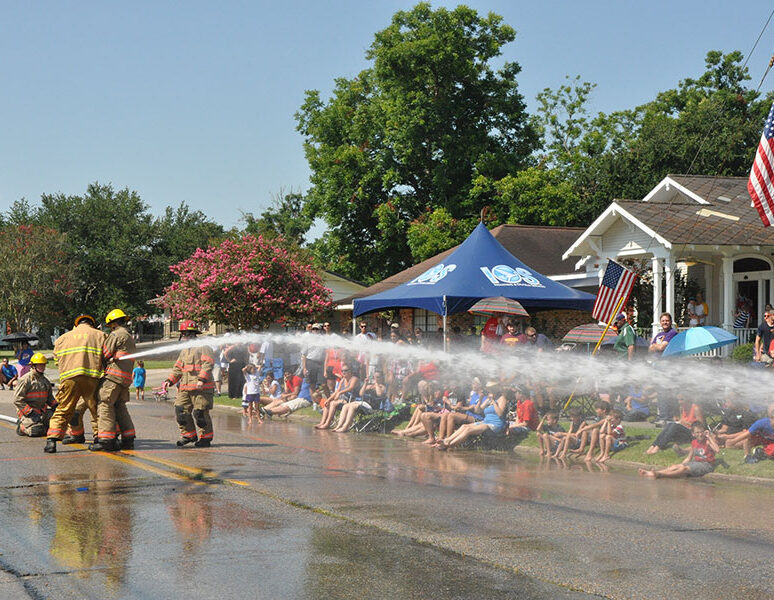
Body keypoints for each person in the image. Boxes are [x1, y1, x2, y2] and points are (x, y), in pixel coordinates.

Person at [45, 314, 106, 454]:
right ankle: (98, 439)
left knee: (63, 409)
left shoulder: (62, 339)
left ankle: (51, 441)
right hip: (91, 378)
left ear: (77, 324)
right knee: (95, 410)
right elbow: (106, 357)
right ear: (91, 323)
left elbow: (56, 360)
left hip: (69, 378)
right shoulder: (100, 335)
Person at [161, 320, 216, 447]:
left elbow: (208, 364)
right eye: (183, 334)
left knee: (200, 413)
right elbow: (178, 367)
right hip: (185, 387)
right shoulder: (185, 350)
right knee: (180, 410)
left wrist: (201, 379)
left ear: (193, 334)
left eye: (185, 334)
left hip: (201, 388)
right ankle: (188, 435)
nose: (184, 336)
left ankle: (205, 438)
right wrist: (169, 381)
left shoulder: (204, 347)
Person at [436, 384, 508, 450]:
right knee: (464, 426)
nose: (489, 390)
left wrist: (494, 402)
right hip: (486, 421)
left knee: (468, 430)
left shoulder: (501, 399)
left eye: (491, 389)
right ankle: (447, 440)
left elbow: (500, 414)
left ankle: (448, 445)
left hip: (495, 424)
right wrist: (480, 399)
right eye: (489, 389)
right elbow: (478, 411)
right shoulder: (489, 399)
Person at [639, 422, 719, 479]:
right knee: (676, 466)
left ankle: (659, 474)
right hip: (695, 463)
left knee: (683, 469)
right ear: (693, 434)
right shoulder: (694, 442)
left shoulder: (707, 441)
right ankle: (652, 473)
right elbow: (689, 458)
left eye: (701, 432)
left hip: (706, 465)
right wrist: (680, 464)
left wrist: (709, 437)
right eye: (697, 432)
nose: (700, 434)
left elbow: (717, 450)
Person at [14, 353, 56, 437]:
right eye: (40, 365)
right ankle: (22, 427)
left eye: (43, 365)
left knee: (59, 424)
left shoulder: (45, 381)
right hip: (28, 413)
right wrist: (30, 412)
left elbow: (49, 398)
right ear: (33, 365)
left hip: (42, 411)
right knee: (37, 431)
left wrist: (56, 406)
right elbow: (18, 400)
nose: (42, 367)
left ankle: (42, 424)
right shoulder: (25, 380)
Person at [315, 364, 360, 430]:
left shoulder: (354, 379)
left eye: (345, 370)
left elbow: (351, 388)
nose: (343, 372)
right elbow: (337, 391)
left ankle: (327, 423)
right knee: (327, 403)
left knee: (332, 403)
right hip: (342, 399)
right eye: (342, 371)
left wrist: (340, 393)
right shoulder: (342, 380)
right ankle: (322, 422)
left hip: (351, 400)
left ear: (350, 371)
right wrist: (329, 399)